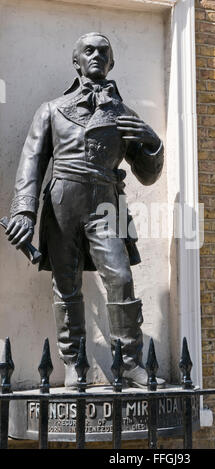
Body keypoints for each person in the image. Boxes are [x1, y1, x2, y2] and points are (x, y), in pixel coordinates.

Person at [5, 32, 165, 389]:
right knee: (66, 286)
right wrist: (24, 213)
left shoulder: (124, 114)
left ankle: (128, 362)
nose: (96, 55)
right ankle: (76, 364)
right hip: (63, 201)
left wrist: (153, 145)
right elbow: (31, 163)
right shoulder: (51, 110)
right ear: (76, 62)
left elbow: (147, 175)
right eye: (88, 50)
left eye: (103, 51)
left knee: (121, 279)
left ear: (112, 63)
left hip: (107, 203)